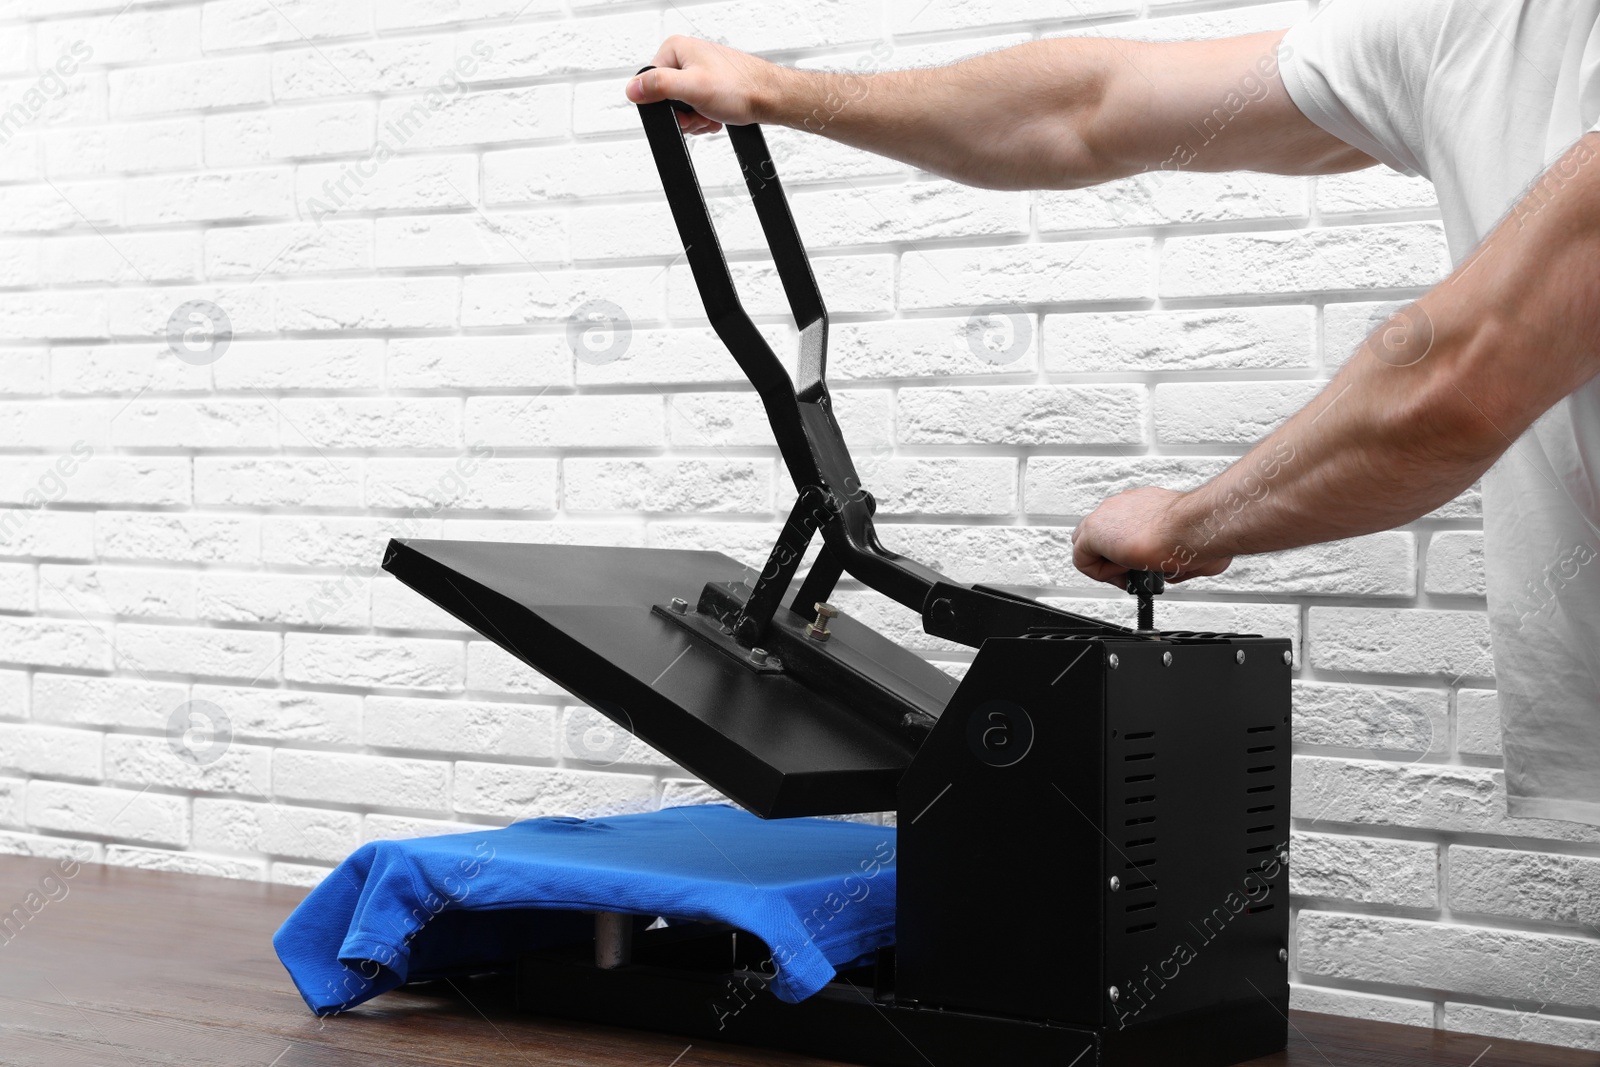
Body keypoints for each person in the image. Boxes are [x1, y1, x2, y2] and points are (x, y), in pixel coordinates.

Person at [624, 2, 1600, 827]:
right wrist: (782, 93)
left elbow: (1465, 369)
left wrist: (1196, 519)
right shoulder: (1483, 24)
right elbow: (1085, 109)